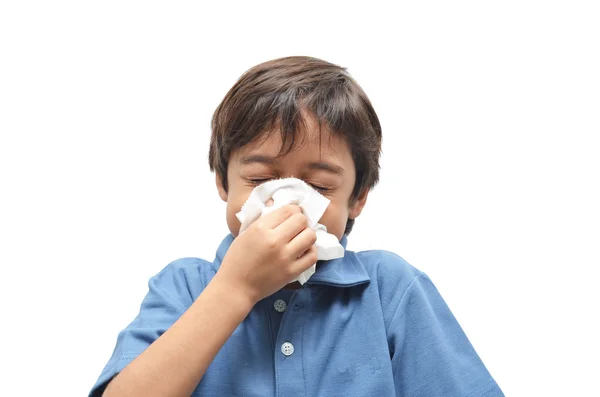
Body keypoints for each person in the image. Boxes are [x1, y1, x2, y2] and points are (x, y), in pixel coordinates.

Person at [90, 56, 504, 397]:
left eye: (318, 185)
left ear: (357, 197)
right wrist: (236, 288)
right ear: (222, 182)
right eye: (258, 179)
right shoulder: (183, 287)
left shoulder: (388, 290)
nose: (285, 202)